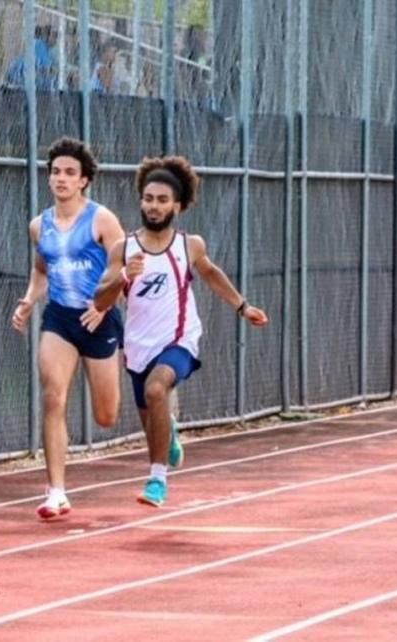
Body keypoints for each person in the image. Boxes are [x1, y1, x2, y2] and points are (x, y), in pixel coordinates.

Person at [94, 155, 269, 507]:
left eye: (162, 200)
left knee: (158, 390)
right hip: (138, 347)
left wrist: (242, 306)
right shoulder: (123, 249)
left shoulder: (189, 245)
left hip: (179, 341)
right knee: (150, 416)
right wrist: (124, 275)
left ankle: (157, 481)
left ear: (177, 205)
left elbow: (211, 273)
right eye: (148, 198)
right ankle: (168, 434)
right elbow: (100, 301)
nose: (154, 206)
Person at [11, 137, 125, 520]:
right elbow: (42, 271)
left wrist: (102, 304)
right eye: (56, 172)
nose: (61, 178)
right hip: (60, 318)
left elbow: (121, 270)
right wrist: (29, 300)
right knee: (52, 398)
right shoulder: (38, 226)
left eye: (69, 173)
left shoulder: (102, 220)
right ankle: (56, 491)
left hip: (98, 319)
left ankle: (166, 423)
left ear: (84, 181)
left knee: (106, 416)